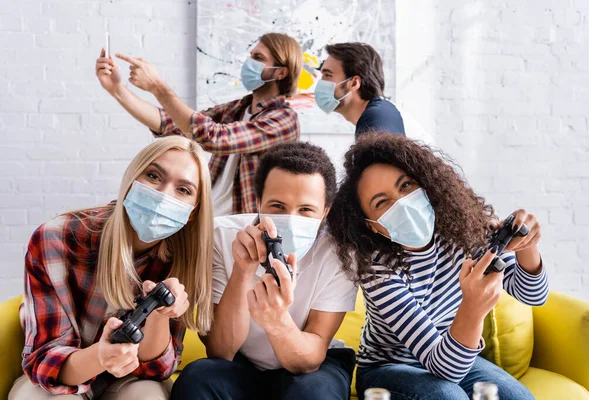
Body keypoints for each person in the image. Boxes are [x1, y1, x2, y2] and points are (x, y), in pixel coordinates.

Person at [327, 134, 549, 400]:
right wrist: (473, 308)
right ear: (372, 226)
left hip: (456, 355)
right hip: (389, 368)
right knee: (448, 397)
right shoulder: (377, 270)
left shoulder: (462, 232)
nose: (402, 203)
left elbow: (534, 295)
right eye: (382, 202)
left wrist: (527, 247)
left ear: (426, 184)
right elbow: (445, 370)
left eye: (406, 185)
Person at [9, 137, 214, 399]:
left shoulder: (183, 259)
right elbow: (44, 362)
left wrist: (160, 315)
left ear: (193, 212)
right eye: (153, 175)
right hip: (61, 379)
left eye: (183, 190)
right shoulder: (56, 237)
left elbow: (156, 369)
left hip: (129, 383)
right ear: (131, 180)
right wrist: (100, 357)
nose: (164, 195)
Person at [171, 142, 358, 400]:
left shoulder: (340, 253)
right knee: (197, 377)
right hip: (242, 362)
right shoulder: (220, 237)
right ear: (258, 203)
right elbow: (221, 351)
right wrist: (242, 270)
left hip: (312, 365)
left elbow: (309, 359)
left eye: (306, 210)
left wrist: (277, 321)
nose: (291, 219)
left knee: (313, 393)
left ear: (325, 212)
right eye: (278, 206)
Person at [95, 33, 303, 216]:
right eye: (250, 56)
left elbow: (214, 138)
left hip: (243, 226)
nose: (249, 63)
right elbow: (173, 125)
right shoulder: (237, 109)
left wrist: (158, 87)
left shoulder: (285, 120)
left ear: (280, 73)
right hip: (208, 219)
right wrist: (117, 89)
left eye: (258, 58)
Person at [315, 42, 405, 137]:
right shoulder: (378, 114)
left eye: (328, 75)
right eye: (322, 76)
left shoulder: (377, 120)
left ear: (354, 83)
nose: (321, 82)